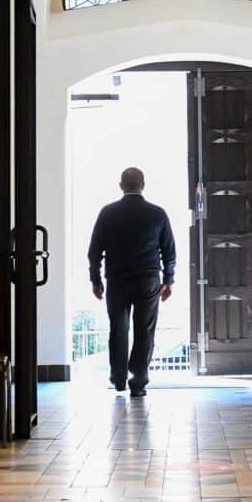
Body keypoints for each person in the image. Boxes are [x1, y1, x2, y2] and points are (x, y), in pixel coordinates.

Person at [86, 167, 177, 396]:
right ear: (143, 185)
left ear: (121, 186)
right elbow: (169, 251)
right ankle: (138, 382)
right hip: (147, 279)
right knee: (144, 330)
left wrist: (96, 280)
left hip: (117, 280)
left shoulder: (107, 213)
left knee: (118, 328)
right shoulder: (158, 214)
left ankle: (118, 378)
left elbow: (94, 251)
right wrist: (168, 280)